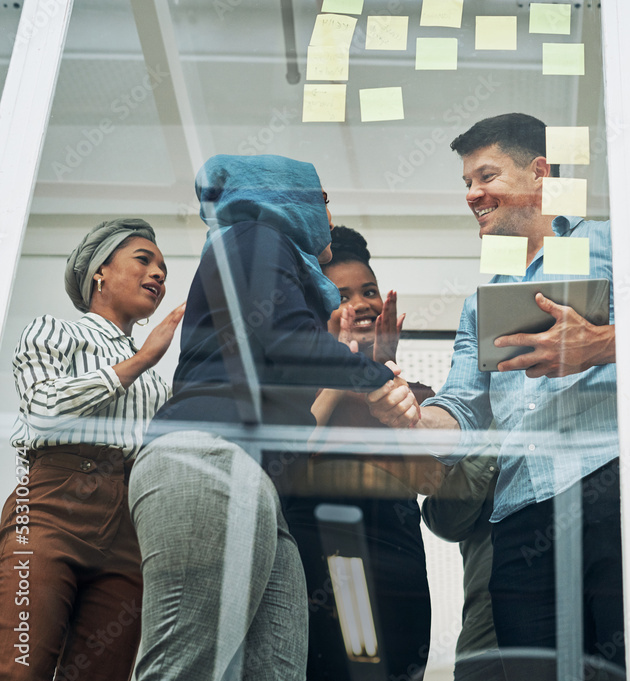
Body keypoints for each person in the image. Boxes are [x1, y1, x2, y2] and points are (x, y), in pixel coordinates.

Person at [368, 113, 630, 671]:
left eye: (485, 176)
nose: (473, 194)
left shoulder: (618, 241)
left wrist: (600, 344)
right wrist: (408, 416)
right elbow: (461, 411)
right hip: (519, 521)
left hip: (617, 488)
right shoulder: (481, 300)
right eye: (466, 183)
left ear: (540, 172)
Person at [127, 155, 402, 681]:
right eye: (321, 199)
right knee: (185, 666)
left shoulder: (275, 262)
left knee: (274, 670)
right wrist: (375, 379)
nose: (326, 212)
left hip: (250, 478)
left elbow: (283, 356)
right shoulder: (254, 234)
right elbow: (284, 339)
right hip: (206, 460)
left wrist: (354, 368)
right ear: (288, 196)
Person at [0, 219, 184, 681]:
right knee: (19, 665)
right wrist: (141, 359)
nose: (159, 273)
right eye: (144, 260)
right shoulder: (53, 331)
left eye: (163, 267)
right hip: (51, 505)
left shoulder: (158, 387)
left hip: (129, 522)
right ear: (99, 272)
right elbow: (42, 407)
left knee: (103, 672)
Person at [280, 225, 437, 681]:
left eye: (369, 290)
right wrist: (338, 366)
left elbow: (433, 478)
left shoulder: (415, 391)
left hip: (399, 556)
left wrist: (383, 373)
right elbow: (287, 462)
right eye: (343, 294)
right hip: (326, 549)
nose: (364, 302)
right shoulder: (295, 387)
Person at [420, 448, 501, 679]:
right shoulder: (479, 419)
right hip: (490, 637)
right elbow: (445, 519)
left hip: (588, 628)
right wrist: (498, 427)